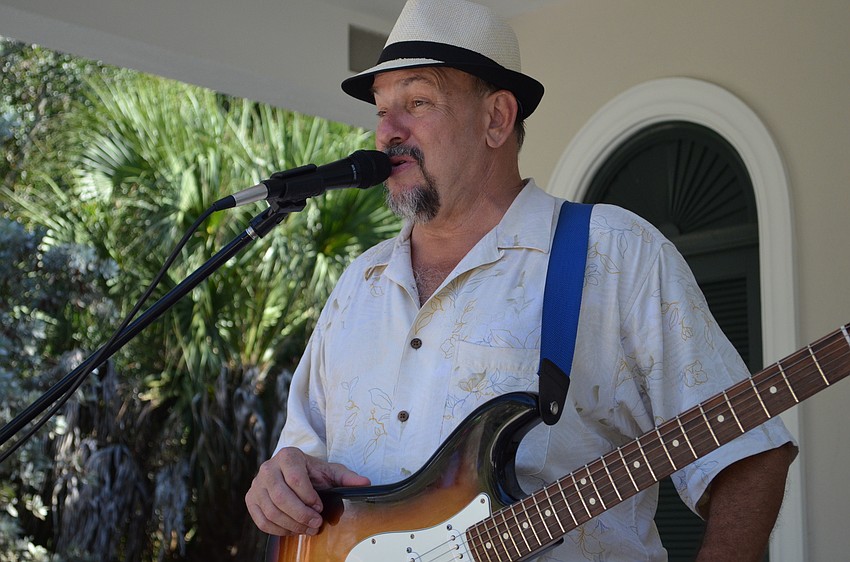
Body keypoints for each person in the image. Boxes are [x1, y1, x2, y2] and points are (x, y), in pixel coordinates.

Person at [246, 0, 795, 560]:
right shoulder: (358, 285)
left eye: (417, 102)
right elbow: (303, 461)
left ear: (496, 119)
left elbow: (746, 450)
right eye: (382, 110)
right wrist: (281, 482)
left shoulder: (614, 251)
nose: (388, 132)